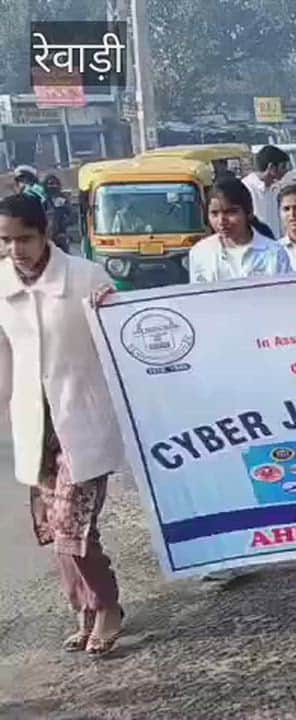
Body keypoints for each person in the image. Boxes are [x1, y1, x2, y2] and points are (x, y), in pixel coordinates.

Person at [0, 194, 127, 656]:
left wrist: (112, 307)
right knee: (56, 530)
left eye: (25, 238)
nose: (16, 250)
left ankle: (107, 606)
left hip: (83, 420)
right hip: (36, 427)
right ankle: (85, 609)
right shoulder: (1, 284)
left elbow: (123, 337)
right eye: (6, 240)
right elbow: (4, 354)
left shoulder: (85, 277)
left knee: (73, 525)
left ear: (45, 232)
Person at [189, 177, 292, 283]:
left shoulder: (275, 254)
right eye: (214, 213)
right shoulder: (200, 253)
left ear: (249, 211)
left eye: (230, 212)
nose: (221, 220)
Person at [243, 145, 290, 240]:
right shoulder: (246, 187)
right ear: (271, 167)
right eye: (283, 166)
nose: (286, 170)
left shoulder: (277, 188)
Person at [41, 174, 73, 253]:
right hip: (47, 236)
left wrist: (64, 224)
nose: (53, 186)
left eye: (55, 184)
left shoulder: (63, 198)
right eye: (51, 184)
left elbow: (71, 215)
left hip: (61, 235)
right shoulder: (44, 200)